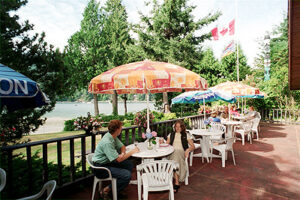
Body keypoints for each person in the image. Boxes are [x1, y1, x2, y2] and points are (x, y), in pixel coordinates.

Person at [92, 120, 139, 198]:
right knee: (127, 175)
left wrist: (122, 153)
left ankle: (117, 188)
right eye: (121, 127)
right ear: (117, 129)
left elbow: (122, 147)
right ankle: (107, 190)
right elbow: (118, 160)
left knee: (129, 164)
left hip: (107, 162)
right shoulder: (107, 142)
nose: (122, 129)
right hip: (100, 168)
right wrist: (131, 152)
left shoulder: (112, 136)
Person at [162, 120, 195, 193]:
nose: (177, 128)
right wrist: (161, 143)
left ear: (182, 127)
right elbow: (166, 145)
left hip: (181, 152)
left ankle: (167, 178)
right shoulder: (171, 134)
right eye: (176, 126)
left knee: (176, 154)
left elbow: (193, 146)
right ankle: (176, 182)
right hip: (171, 153)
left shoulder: (186, 135)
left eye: (179, 126)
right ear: (174, 127)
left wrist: (187, 150)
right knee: (174, 156)